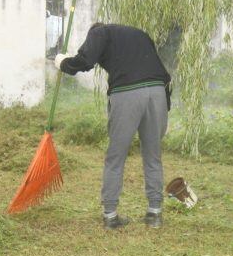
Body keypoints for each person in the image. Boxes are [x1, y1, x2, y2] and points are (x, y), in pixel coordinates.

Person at [54, 23, 171, 230]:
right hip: (157, 91)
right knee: (153, 155)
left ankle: (110, 215)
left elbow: (85, 61)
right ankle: (155, 214)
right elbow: (158, 67)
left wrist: (62, 63)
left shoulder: (99, 32)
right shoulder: (140, 33)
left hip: (127, 93)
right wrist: (165, 108)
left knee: (115, 158)